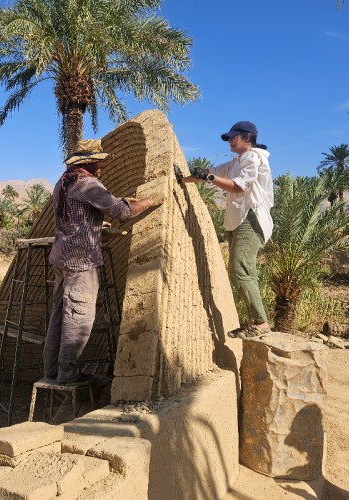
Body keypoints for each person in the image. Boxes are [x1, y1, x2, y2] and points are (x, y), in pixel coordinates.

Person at [44, 139, 162, 385]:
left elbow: (79, 213)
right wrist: (149, 202)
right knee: (79, 317)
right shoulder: (88, 184)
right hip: (80, 261)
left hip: (61, 257)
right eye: (99, 162)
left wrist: (95, 223)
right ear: (88, 163)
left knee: (58, 316)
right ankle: (68, 373)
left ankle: (52, 370)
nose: (102, 167)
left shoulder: (64, 183)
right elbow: (122, 212)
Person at [183, 121, 274, 339]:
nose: (230, 141)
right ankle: (254, 321)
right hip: (236, 220)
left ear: (247, 137)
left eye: (234, 137)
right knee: (243, 272)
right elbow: (210, 173)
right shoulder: (236, 161)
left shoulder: (254, 157)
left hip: (250, 219)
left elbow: (238, 185)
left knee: (239, 269)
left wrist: (209, 178)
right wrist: (184, 178)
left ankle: (261, 324)